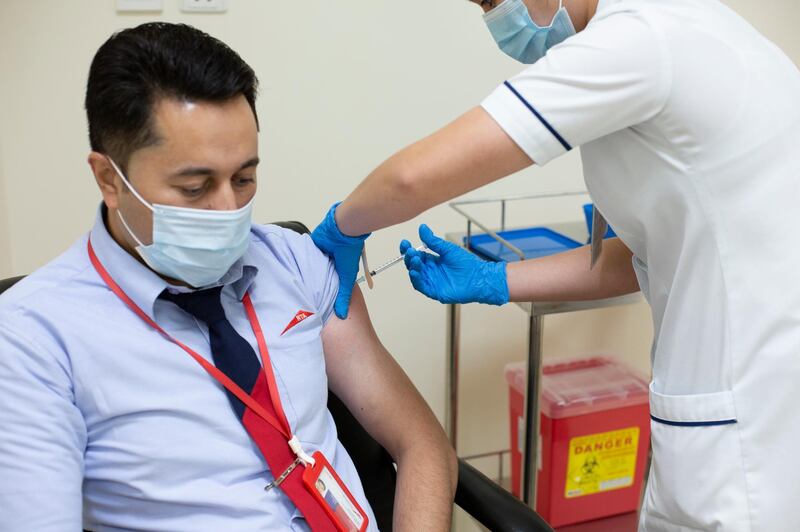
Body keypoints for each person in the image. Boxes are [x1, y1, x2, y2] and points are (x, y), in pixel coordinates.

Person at [310, 0, 800, 530]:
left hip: (751, 419)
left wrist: (343, 224)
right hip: (723, 405)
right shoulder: (677, 31)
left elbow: (412, 179)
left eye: (496, 1)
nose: (498, 19)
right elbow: (636, 257)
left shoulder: (640, 39)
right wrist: (495, 279)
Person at [0, 22, 456, 532]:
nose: (227, 210)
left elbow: (422, 445)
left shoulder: (295, 262)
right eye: (195, 188)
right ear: (109, 178)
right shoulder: (32, 339)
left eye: (244, 178)